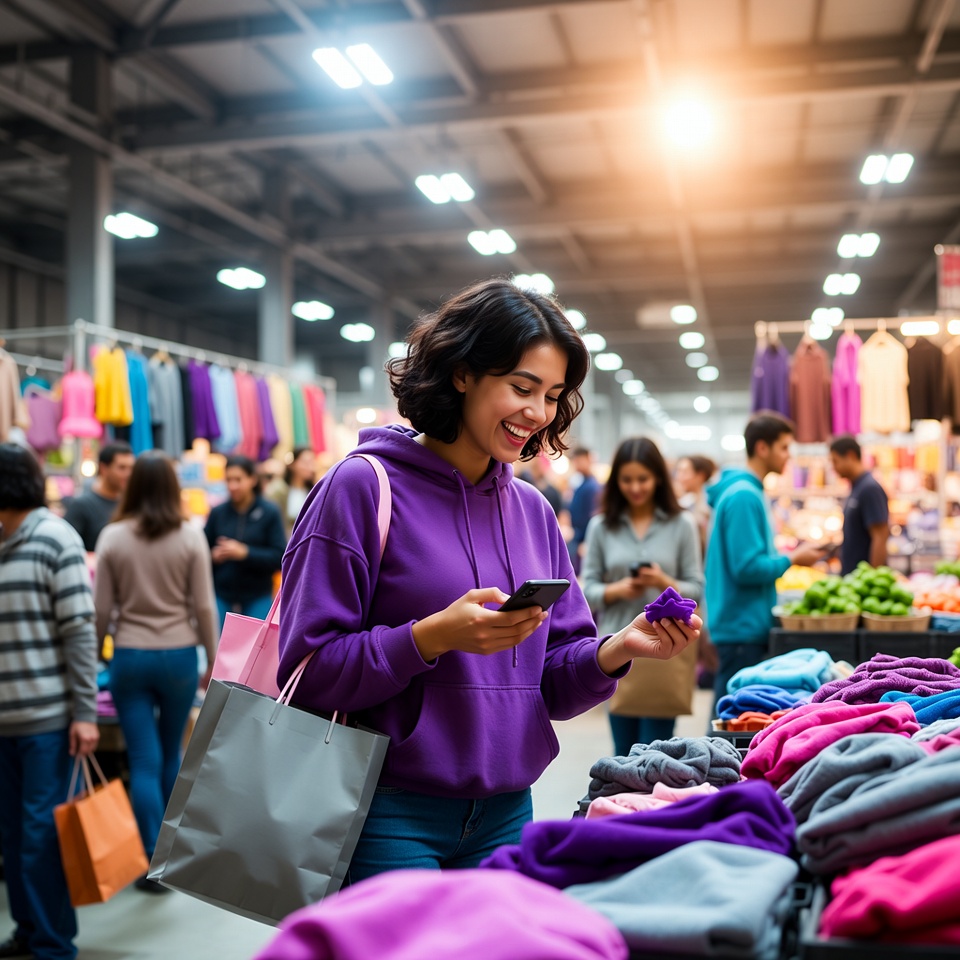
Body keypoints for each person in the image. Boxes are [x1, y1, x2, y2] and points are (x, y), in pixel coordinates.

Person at [277, 278, 700, 883]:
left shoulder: (531, 512)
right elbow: (309, 671)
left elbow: (551, 685)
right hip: (384, 812)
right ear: (461, 374)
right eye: (521, 387)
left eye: (553, 395)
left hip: (507, 811)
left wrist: (615, 651)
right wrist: (429, 638)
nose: (538, 413)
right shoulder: (363, 488)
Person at [94, 452, 219, 892]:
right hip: (180, 657)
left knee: (142, 760)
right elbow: (204, 605)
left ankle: (149, 860)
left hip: (130, 655)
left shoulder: (112, 537)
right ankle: (172, 857)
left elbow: (102, 608)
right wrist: (213, 656)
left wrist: (95, 653)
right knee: (172, 755)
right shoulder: (189, 535)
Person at [0, 443, 99, 960]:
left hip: (46, 721)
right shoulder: (4, 541)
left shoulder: (55, 539)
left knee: (42, 834)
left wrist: (84, 713)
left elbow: (80, 633)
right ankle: (28, 929)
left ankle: (54, 943)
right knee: (14, 834)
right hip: (6, 723)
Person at [582, 437, 704, 753]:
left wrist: (663, 580)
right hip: (616, 647)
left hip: (665, 646)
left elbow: (697, 588)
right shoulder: (601, 527)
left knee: (657, 755)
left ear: (658, 479)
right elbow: (587, 589)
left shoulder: (682, 524)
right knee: (622, 754)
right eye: (627, 479)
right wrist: (616, 589)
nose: (635, 487)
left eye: (643, 479)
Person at [704, 412, 826, 717]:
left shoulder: (745, 492)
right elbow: (746, 569)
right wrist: (793, 559)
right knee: (732, 723)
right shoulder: (745, 496)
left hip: (739, 624)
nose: (788, 456)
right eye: (784, 447)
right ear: (762, 448)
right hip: (741, 628)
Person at [205, 455, 286, 628]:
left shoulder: (269, 512)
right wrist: (212, 556)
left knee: (254, 651)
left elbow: (280, 557)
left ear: (252, 479)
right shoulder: (218, 513)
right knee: (221, 650)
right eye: (228, 480)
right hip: (222, 595)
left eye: (238, 479)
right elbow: (203, 550)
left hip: (258, 596)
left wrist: (245, 553)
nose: (232, 486)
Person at [828, 435, 890, 574]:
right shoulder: (857, 487)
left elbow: (880, 536)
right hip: (853, 579)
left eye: (835, 461)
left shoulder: (870, 489)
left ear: (850, 456)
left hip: (863, 583)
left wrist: (872, 579)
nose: (834, 468)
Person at [63, 441, 135, 552]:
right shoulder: (82, 506)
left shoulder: (132, 504)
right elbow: (67, 548)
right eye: (122, 468)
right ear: (104, 468)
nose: (128, 474)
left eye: (131, 468)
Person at [266, 446, 318, 537]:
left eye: (312, 462)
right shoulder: (278, 490)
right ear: (293, 464)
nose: (311, 467)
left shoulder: (315, 491)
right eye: (306, 462)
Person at [566, 447, 601, 572]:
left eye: (579, 460)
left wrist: (586, 540)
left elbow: (592, 515)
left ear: (587, 459)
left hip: (583, 539)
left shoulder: (592, 487)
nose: (576, 464)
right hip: (577, 537)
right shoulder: (580, 484)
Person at [674, 454, 717, 553]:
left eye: (684, 472)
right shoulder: (685, 503)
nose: (679, 477)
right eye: (678, 471)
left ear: (700, 476)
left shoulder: (711, 504)